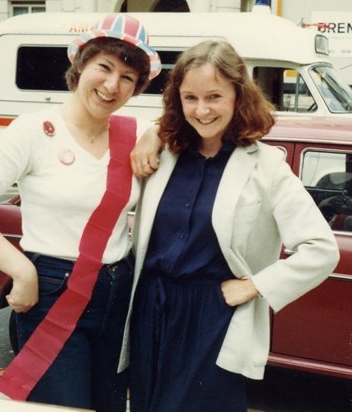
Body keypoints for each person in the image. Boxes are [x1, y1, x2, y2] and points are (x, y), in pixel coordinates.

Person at [0, 14, 161, 412]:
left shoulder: (136, 132)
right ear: (80, 66)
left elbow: (190, 124)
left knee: (108, 404)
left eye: (128, 78)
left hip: (117, 291)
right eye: (104, 67)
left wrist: (157, 133)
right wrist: (21, 269)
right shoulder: (33, 130)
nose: (113, 86)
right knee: (62, 406)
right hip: (54, 288)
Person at [121, 39, 340, 411]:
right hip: (149, 307)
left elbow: (322, 249)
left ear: (239, 96)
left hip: (214, 316)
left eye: (214, 97)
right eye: (190, 98)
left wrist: (255, 286)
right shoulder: (165, 153)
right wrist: (154, 132)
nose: (201, 110)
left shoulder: (266, 165)